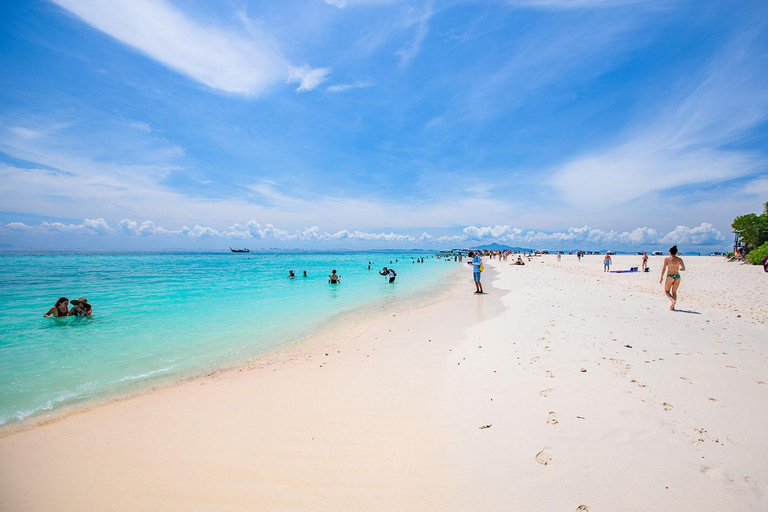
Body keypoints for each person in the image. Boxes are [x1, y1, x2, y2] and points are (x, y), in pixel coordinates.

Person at [660, 245, 686, 310]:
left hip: (670, 276)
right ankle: (673, 307)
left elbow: (664, 269)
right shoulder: (679, 259)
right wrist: (679, 269)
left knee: (666, 291)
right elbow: (683, 269)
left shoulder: (667, 259)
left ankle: (672, 301)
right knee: (674, 292)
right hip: (677, 276)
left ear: (669, 252)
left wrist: (661, 277)